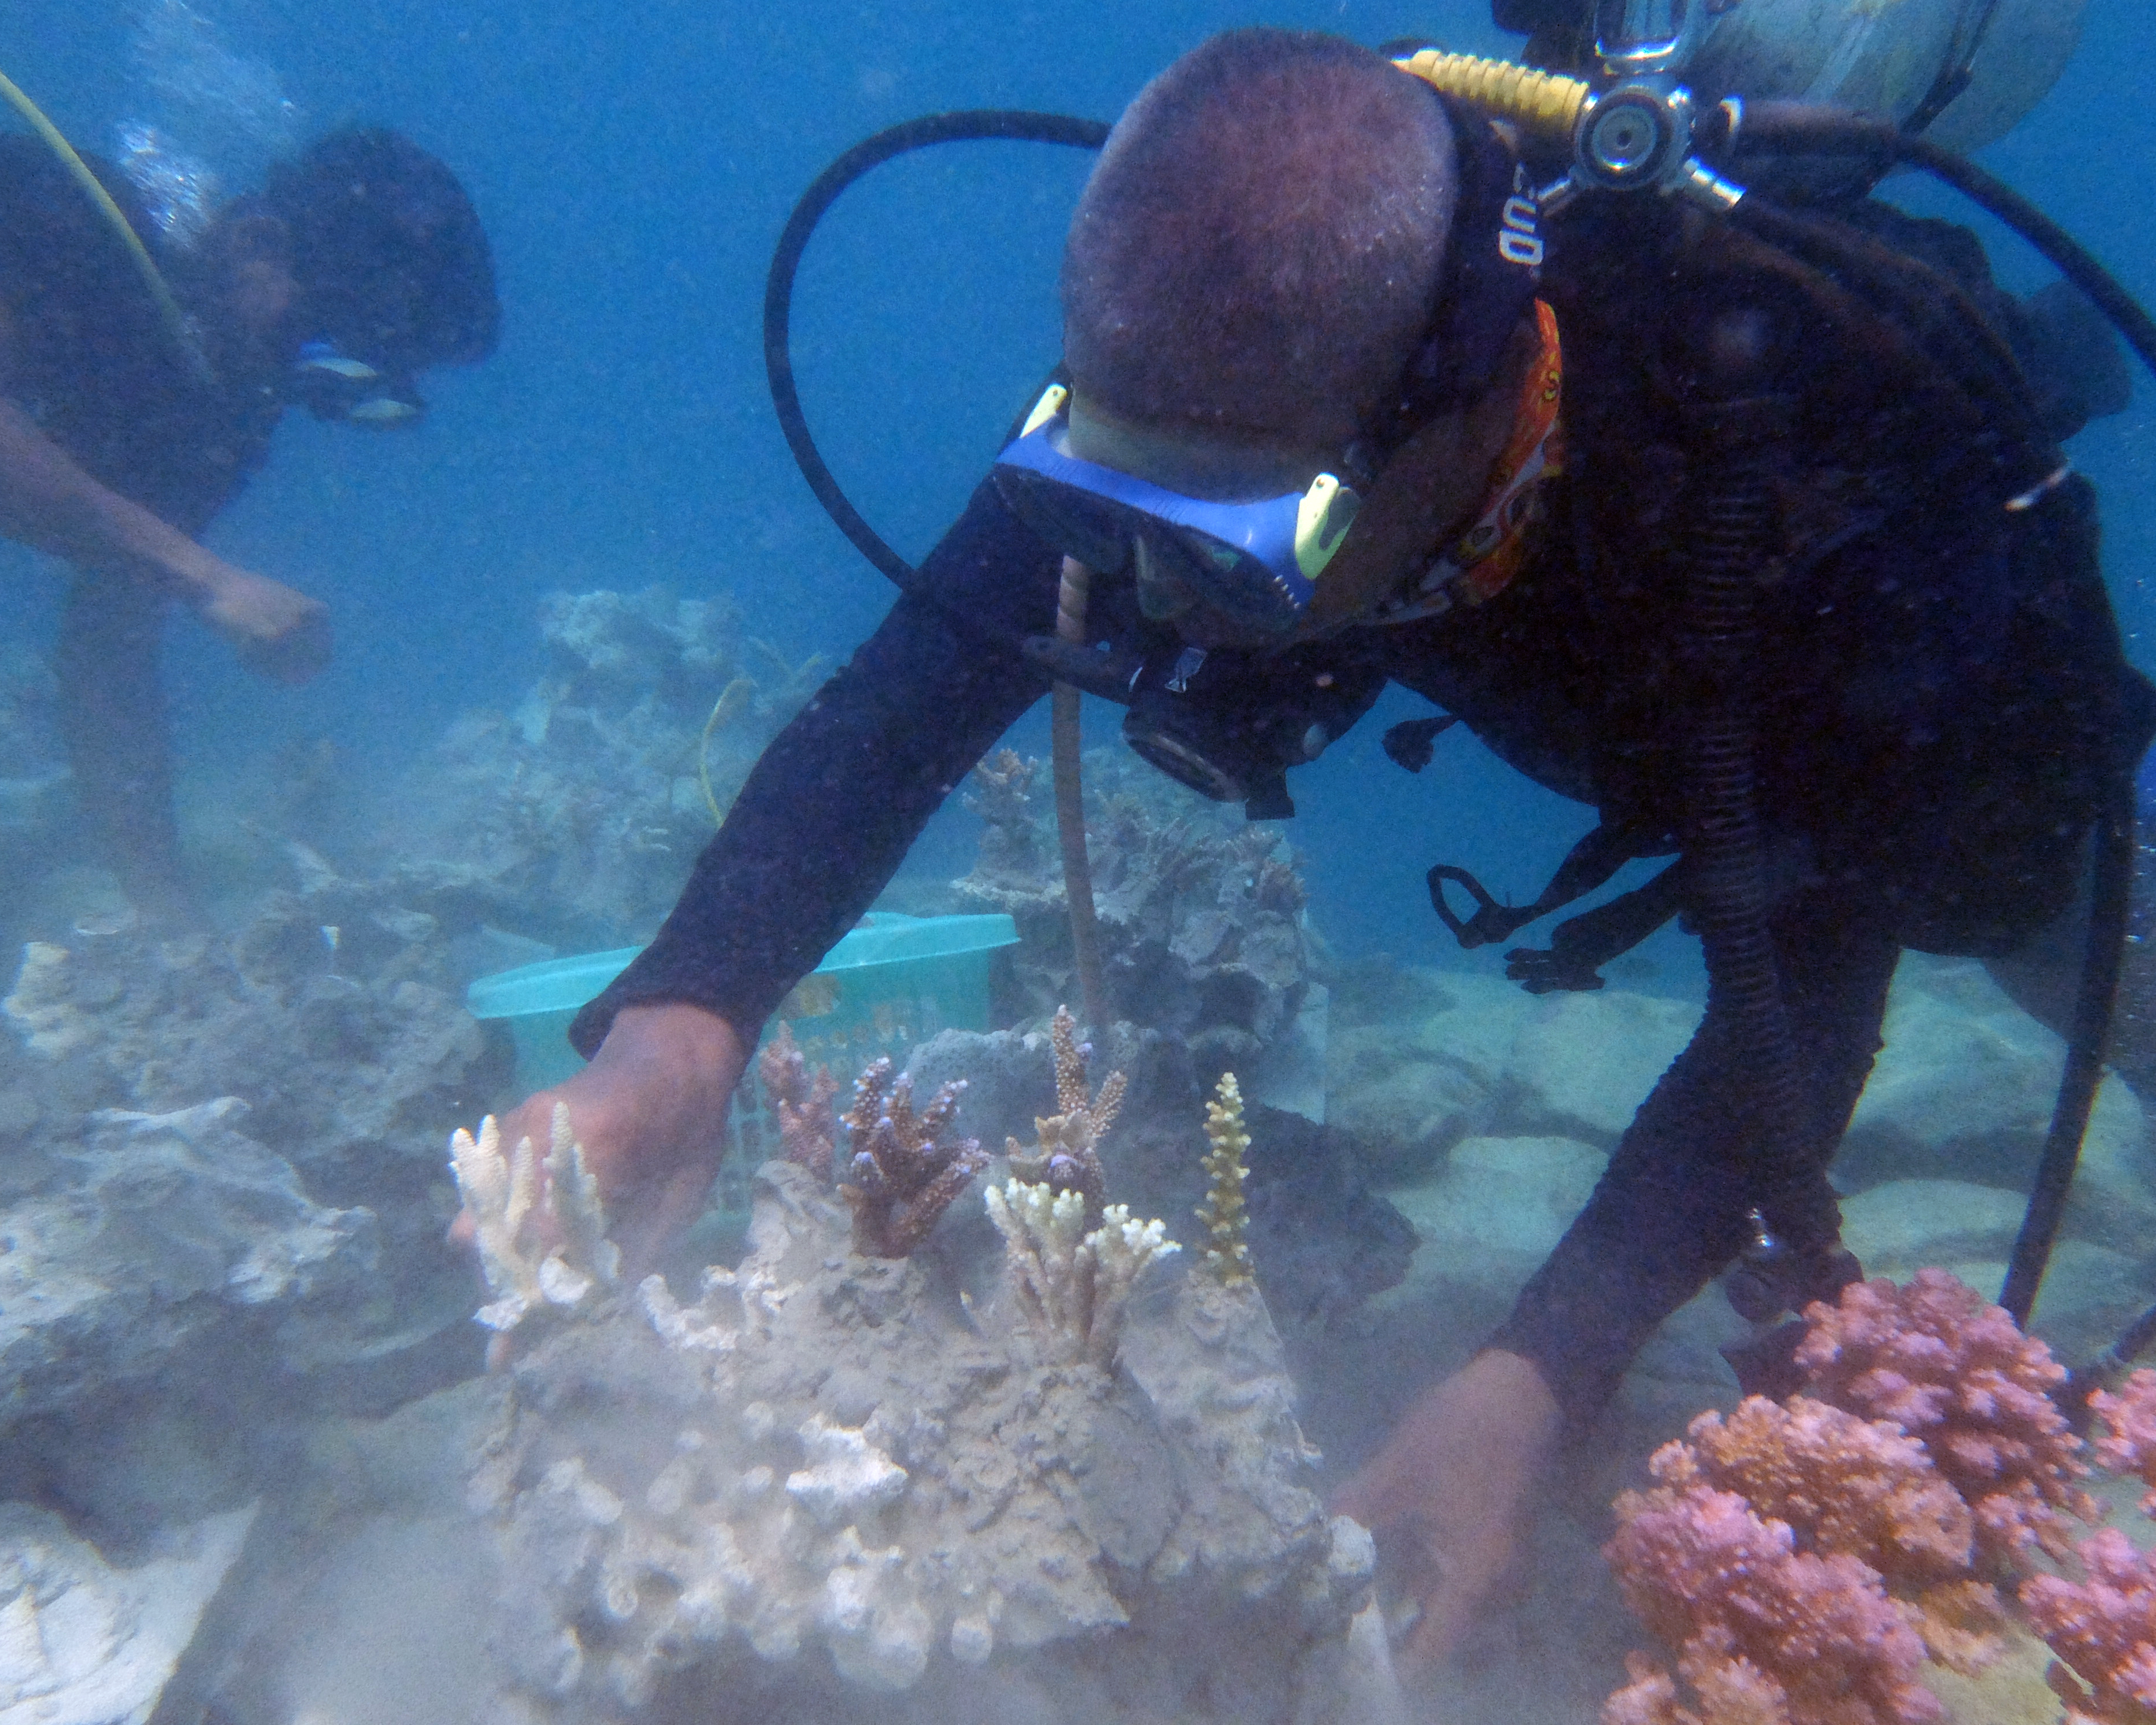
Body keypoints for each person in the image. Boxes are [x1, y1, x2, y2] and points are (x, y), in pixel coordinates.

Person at [482, 25, 2148, 1667]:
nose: (1152, 603)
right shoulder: (1204, 374)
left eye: (1233, 552)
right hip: (1569, 628)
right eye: (1104, 517)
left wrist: (1537, 1368)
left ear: (1462, 410)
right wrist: (683, 1026)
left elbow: (1800, 1009)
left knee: (2019, 906)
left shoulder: (1821, 494)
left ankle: (2077, 357)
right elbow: (894, 709)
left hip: (1949, 763)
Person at [0, 121, 498, 915]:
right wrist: (207, 577)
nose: (312, 381)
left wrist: (166, 916)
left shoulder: (220, 411)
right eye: (328, 339)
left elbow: (109, 646)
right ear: (256, 241)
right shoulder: (59, 219)